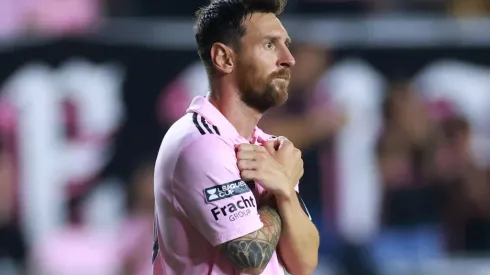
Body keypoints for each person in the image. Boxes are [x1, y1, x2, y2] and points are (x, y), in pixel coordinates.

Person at [152, 0, 320, 274]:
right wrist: (280, 185)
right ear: (224, 58)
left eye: (285, 44)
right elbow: (251, 256)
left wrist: (286, 192)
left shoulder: (267, 148)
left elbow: (304, 263)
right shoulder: (200, 143)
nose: (288, 58)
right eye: (269, 44)